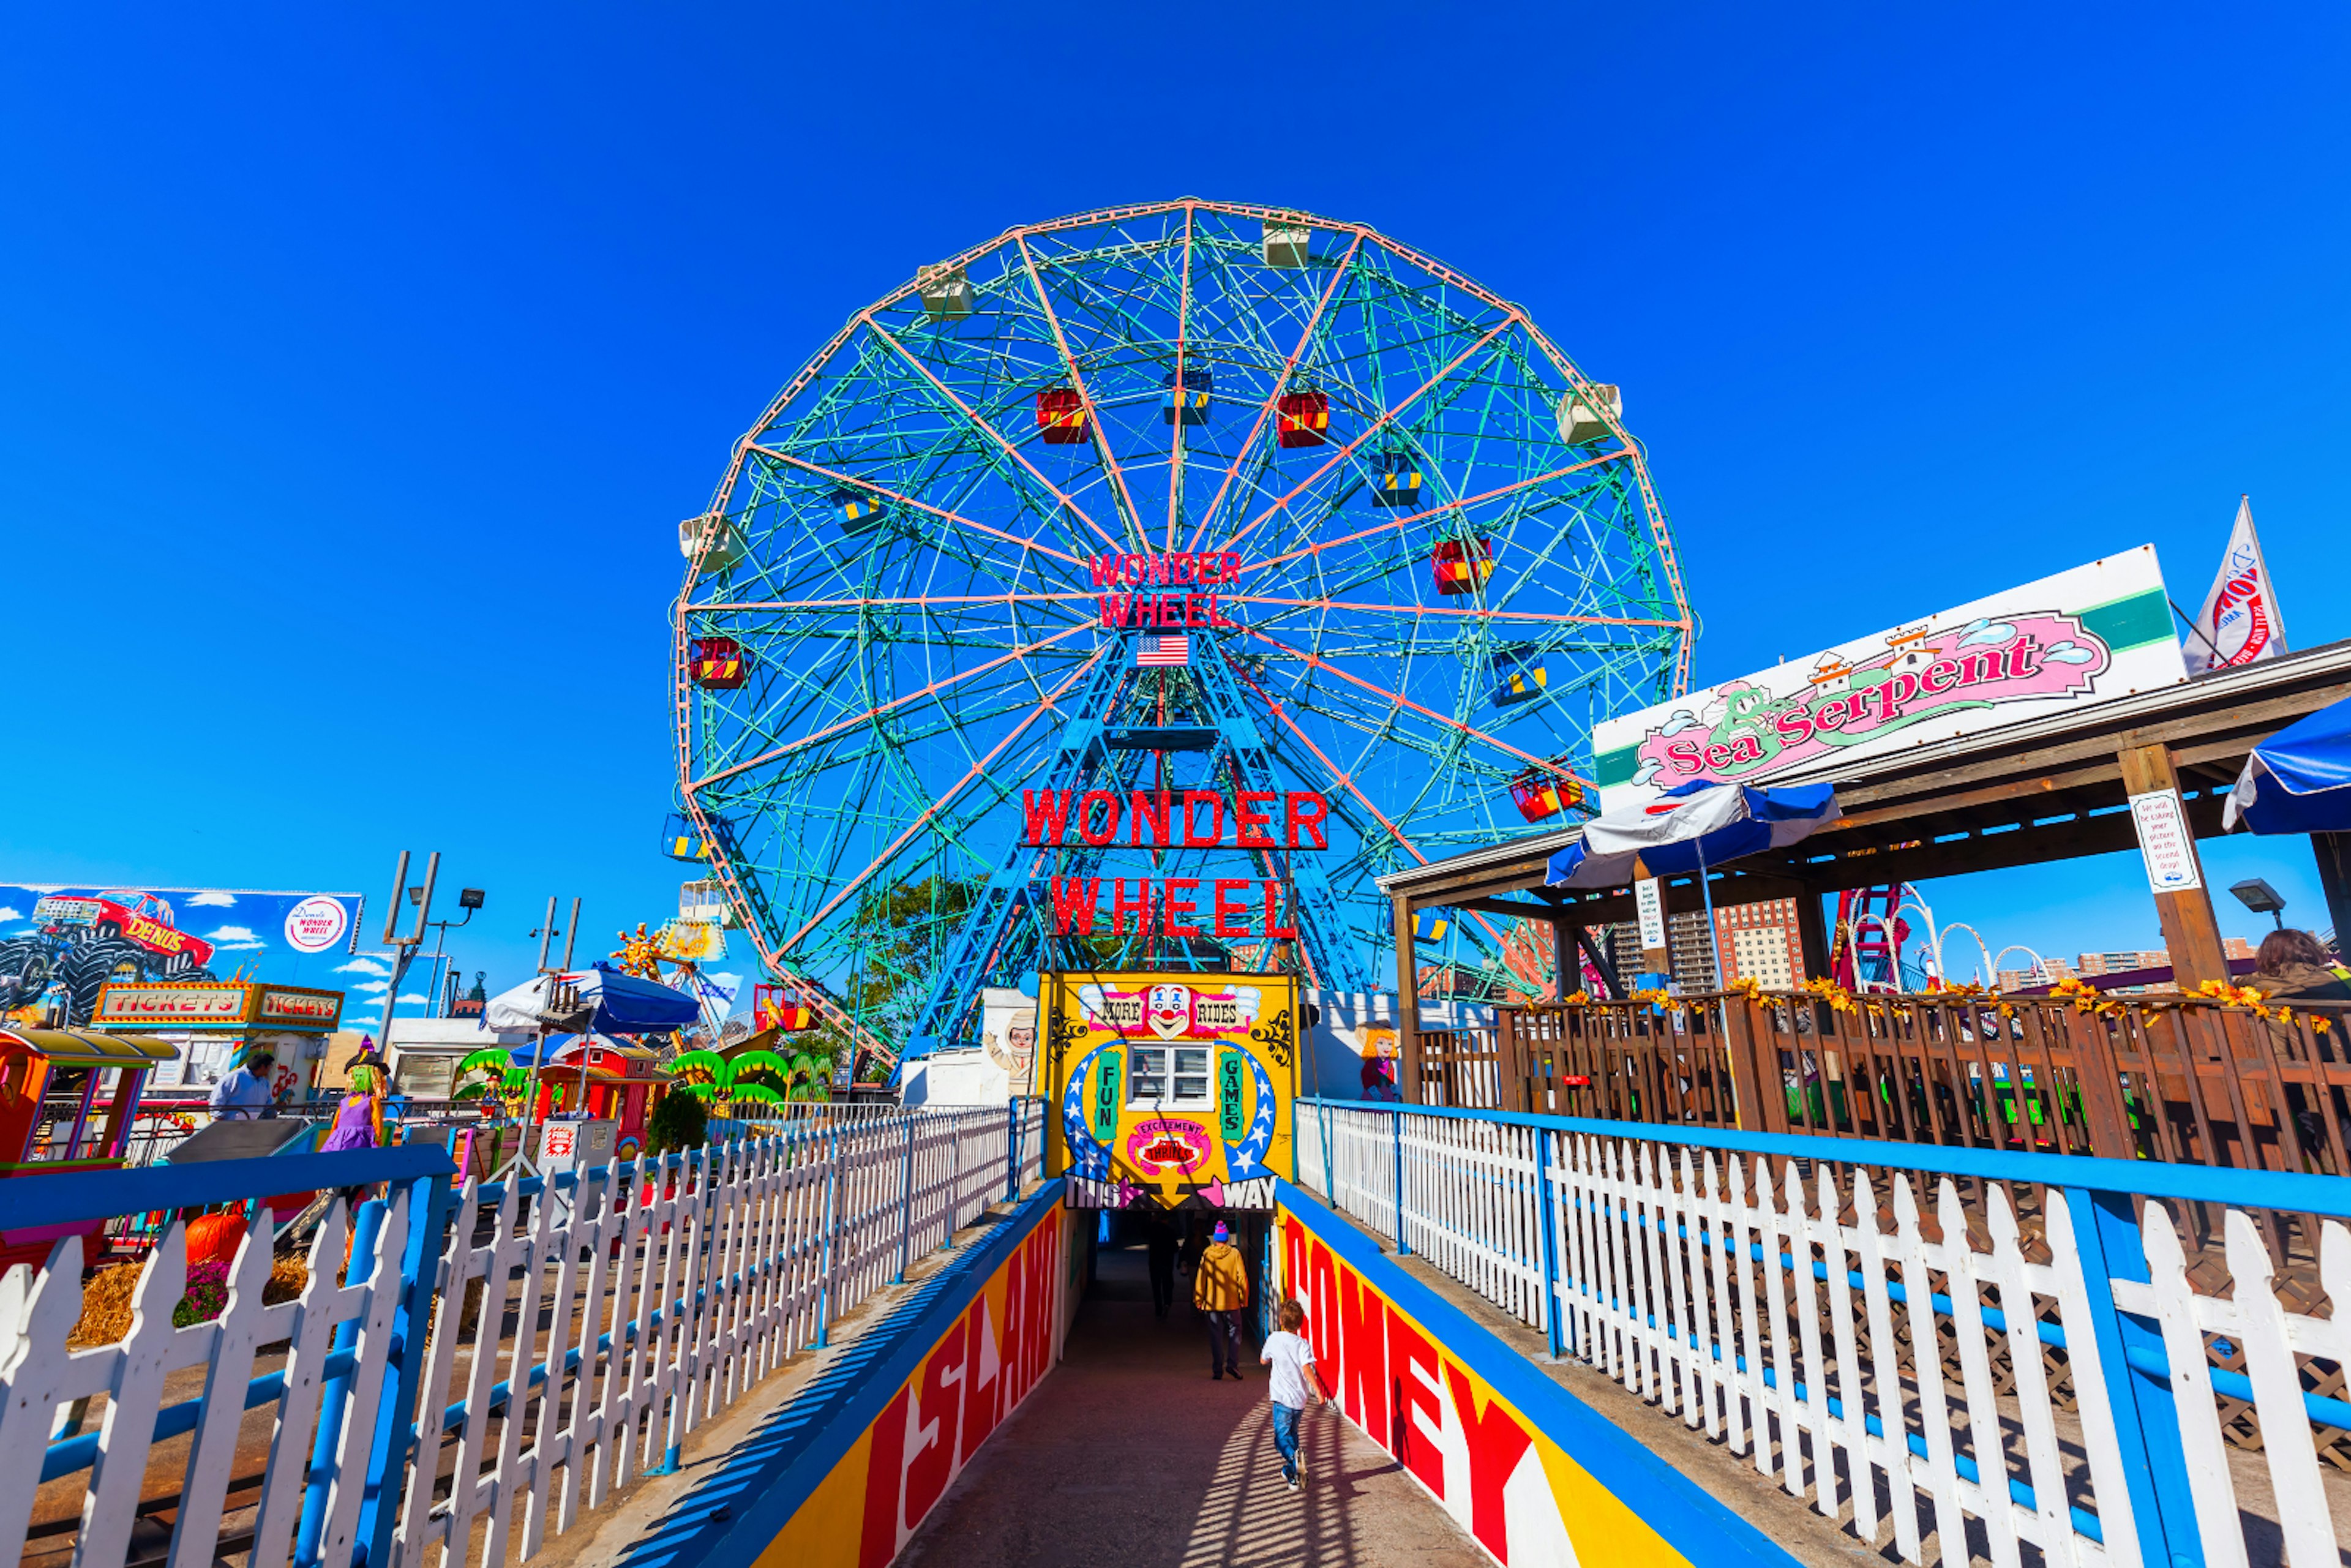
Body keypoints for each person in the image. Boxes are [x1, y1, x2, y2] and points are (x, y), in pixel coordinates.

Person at [1260, 1299, 1324, 1491]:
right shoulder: (1302, 1344)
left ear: (1281, 1320)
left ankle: (1294, 1460)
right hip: (1299, 1401)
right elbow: (1307, 1370)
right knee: (1293, 1435)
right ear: (1300, 1324)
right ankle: (1293, 1473)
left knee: (1281, 1438)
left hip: (1281, 1400)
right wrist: (1319, 1393)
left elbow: (1263, 1361)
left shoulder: (1274, 1339)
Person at [1194, 1218, 1249, 1379]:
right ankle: (1232, 1365)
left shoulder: (1207, 1254)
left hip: (1212, 1304)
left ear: (1215, 1238)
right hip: (1232, 1302)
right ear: (1227, 1238)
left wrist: (1199, 1298)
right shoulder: (1235, 1254)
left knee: (1215, 1336)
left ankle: (1217, 1369)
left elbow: (1201, 1278)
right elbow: (1242, 1278)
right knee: (1236, 1332)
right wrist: (1243, 1298)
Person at [208, 1048, 277, 1120]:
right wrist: (218, 1118)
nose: (270, 1069)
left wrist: (272, 1114)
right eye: (270, 1066)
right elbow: (218, 1099)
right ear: (263, 1066)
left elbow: (268, 1104)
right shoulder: (235, 1077)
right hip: (231, 1124)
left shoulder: (264, 1082)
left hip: (254, 1125)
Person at [1146, 1211, 1179, 1321]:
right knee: (1167, 1285)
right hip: (1167, 1262)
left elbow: (1144, 1233)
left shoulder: (1152, 1230)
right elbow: (1175, 1249)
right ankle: (1167, 1303)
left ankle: (1158, 1310)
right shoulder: (1170, 1231)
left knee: (1156, 1287)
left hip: (1154, 1262)